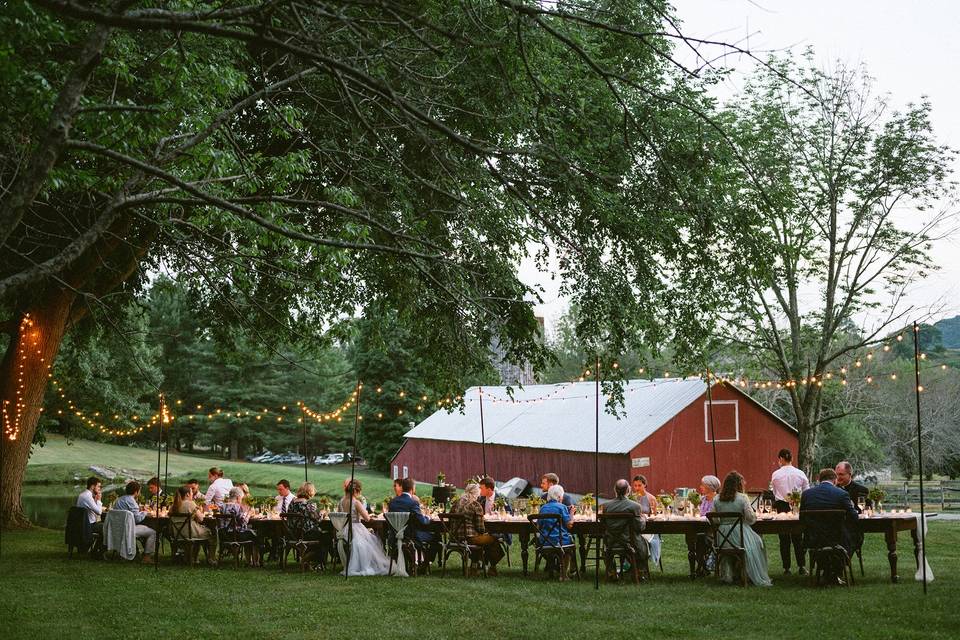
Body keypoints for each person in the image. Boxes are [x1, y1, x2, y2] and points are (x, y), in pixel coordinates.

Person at [712, 471, 773, 587]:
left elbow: (715, 520)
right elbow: (751, 519)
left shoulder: (716, 499)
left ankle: (730, 574)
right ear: (739, 485)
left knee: (753, 541)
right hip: (739, 535)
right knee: (759, 542)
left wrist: (724, 524)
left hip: (722, 538)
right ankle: (747, 573)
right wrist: (753, 517)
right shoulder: (742, 498)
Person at [800, 468, 860, 567]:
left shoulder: (807, 494)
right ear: (835, 480)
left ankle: (826, 567)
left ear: (819, 480)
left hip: (814, 538)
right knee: (855, 537)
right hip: (837, 538)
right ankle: (838, 567)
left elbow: (802, 518)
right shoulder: (841, 494)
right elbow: (854, 517)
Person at [449, 483, 505, 576]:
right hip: (469, 538)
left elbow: (450, 519)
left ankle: (475, 566)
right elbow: (481, 528)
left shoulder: (456, 503)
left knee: (482, 540)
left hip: (455, 538)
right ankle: (492, 567)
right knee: (493, 539)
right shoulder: (475, 505)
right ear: (476, 494)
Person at [338, 480, 391, 576]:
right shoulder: (355, 502)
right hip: (355, 529)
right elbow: (366, 518)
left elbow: (340, 516)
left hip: (344, 530)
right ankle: (367, 565)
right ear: (356, 491)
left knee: (368, 542)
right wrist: (368, 515)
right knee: (371, 543)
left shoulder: (341, 501)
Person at [770, 448, 808, 575]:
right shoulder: (800, 473)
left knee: (784, 538)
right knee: (798, 537)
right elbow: (806, 491)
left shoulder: (776, 474)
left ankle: (786, 567)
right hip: (796, 504)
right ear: (791, 459)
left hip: (781, 506)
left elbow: (774, 492)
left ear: (781, 459)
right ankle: (801, 566)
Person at [600, 479, 648, 579]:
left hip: (611, 542)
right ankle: (639, 572)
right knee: (643, 542)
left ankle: (612, 572)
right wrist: (643, 518)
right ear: (628, 490)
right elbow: (640, 528)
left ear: (615, 490)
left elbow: (602, 525)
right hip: (630, 542)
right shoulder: (635, 506)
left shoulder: (606, 506)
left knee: (604, 545)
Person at [389, 477, 437, 567]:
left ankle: (418, 561)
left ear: (402, 488)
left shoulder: (392, 502)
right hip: (410, 536)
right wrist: (428, 517)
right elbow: (422, 521)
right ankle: (425, 564)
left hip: (394, 535)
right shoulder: (413, 503)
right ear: (412, 489)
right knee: (436, 537)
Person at [112, 481, 157, 563]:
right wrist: (145, 512)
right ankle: (146, 557)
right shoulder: (131, 501)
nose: (140, 492)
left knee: (146, 528)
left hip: (117, 528)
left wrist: (139, 511)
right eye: (139, 491)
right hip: (128, 530)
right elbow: (137, 519)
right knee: (153, 532)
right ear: (136, 491)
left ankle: (135, 552)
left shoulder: (119, 500)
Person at [286, 482, 330, 567]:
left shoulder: (292, 503)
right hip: (307, 534)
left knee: (321, 536)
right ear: (309, 492)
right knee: (326, 537)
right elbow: (317, 520)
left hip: (293, 534)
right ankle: (315, 561)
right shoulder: (309, 505)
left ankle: (310, 560)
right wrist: (322, 513)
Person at [171, 486, 217, 563]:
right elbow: (201, 519)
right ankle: (211, 558)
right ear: (187, 494)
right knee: (212, 533)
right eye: (191, 492)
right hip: (190, 532)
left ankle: (193, 557)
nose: (192, 494)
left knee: (198, 531)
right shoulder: (190, 504)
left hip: (176, 533)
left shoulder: (174, 505)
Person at [219, 487, 259, 565]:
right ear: (238, 497)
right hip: (236, 535)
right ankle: (255, 562)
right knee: (255, 535)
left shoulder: (222, 506)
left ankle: (249, 561)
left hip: (223, 535)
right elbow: (243, 522)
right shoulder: (237, 507)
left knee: (249, 533)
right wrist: (249, 513)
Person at [630, 474, 661, 565]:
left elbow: (655, 515)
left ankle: (641, 559)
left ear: (645, 485)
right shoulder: (632, 498)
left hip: (648, 526)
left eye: (639, 485)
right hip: (635, 526)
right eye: (635, 485)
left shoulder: (651, 498)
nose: (637, 488)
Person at [694, 475, 721, 576]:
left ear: (710, 487)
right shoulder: (703, 499)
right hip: (702, 528)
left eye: (703, 485)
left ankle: (702, 567)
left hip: (715, 531)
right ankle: (703, 567)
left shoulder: (718, 500)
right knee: (695, 537)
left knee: (700, 539)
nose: (700, 487)